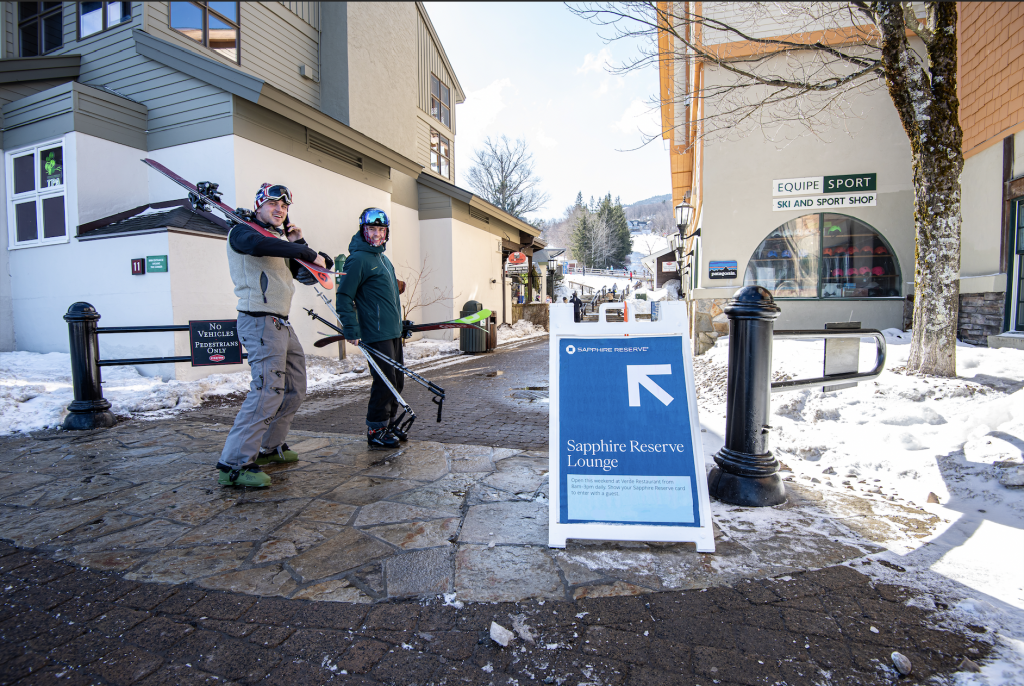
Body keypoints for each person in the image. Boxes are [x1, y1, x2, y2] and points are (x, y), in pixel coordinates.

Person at [216, 183, 333, 488]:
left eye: (283, 206)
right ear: (258, 206)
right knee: (267, 390)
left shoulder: (278, 241)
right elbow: (256, 247)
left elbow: (311, 275)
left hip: (281, 323)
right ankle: (234, 463)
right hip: (258, 321)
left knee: (295, 387)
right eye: (272, 204)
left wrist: (300, 242)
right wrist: (303, 250)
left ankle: (270, 447)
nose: (279, 210)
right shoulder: (243, 231)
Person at [336, 208, 409, 450]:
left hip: (391, 332)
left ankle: (388, 424)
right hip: (374, 333)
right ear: (363, 231)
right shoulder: (357, 259)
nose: (377, 234)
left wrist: (401, 324)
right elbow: (344, 297)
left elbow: (388, 299)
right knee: (384, 382)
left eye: (381, 230)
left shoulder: (383, 259)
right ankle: (375, 428)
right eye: (372, 229)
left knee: (396, 381)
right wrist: (351, 327)